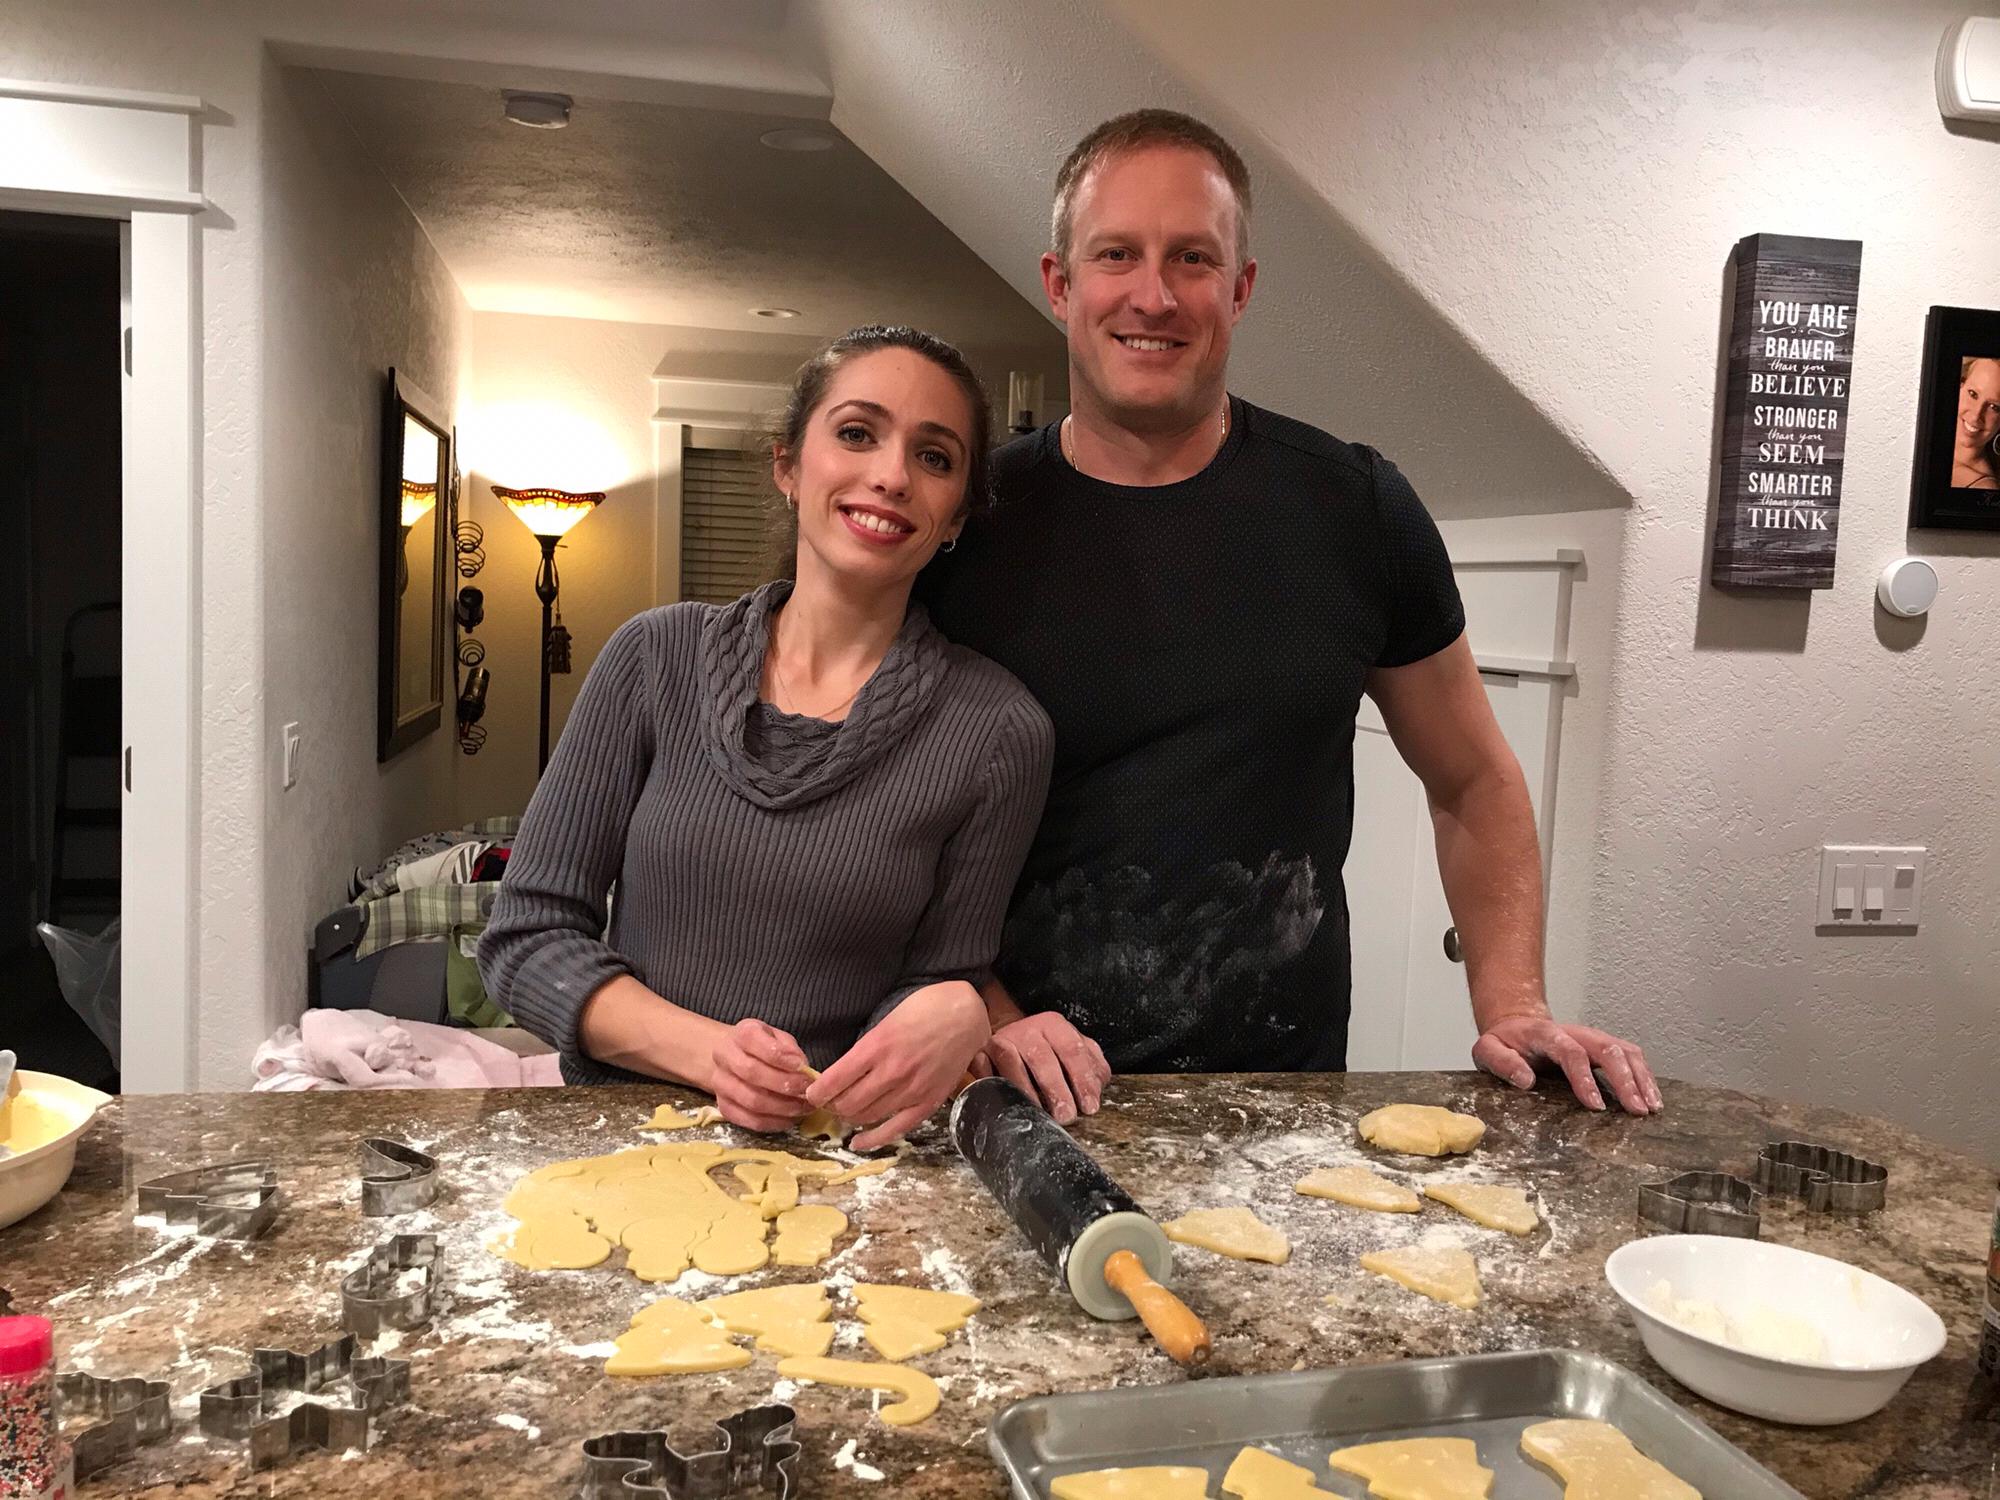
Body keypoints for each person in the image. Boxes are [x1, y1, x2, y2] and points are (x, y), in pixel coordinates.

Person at [918, 110, 1662, 1121]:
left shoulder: (1355, 510)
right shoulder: (968, 529)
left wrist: (1512, 1002)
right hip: (1024, 1090)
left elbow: (1470, 778)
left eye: (1191, 258)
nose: (1152, 294)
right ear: (1059, 284)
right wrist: (987, 1009)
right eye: (1115, 255)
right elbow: (894, 828)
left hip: (1284, 1103)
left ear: (1240, 288)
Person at [480, 326, 1054, 1150]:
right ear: (788, 465)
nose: (890, 476)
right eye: (857, 434)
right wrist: (716, 1056)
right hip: (623, 1144)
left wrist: (952, 1010)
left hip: (843, 1157)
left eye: (935, 458)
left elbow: (934, 976)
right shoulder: (654, 657)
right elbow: (527, 938)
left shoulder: (999, 732)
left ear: (957, 514)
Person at [1951, 355, 2000, 491]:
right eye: (1973, 394)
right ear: (1960, 386)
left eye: (1994, 407)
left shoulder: (1984, 487)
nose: (1975, 415)